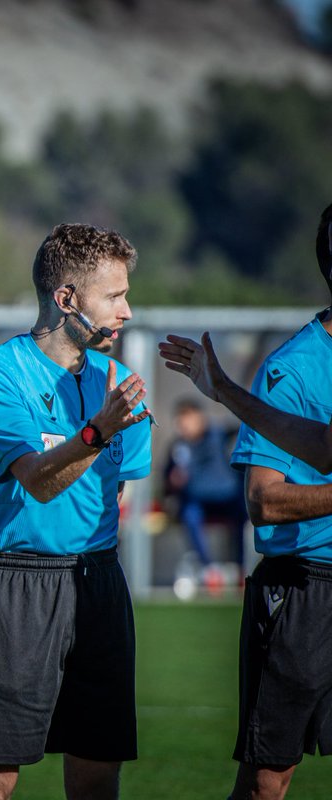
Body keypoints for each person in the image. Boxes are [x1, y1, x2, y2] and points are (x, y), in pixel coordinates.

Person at [0, 223, 152, 800]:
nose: (128, 311)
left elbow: (112, 495)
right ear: (67, 300)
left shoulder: (116, 381)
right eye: (114, 297)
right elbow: (38, 483)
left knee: (97, 766)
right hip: (17, 583)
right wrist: (97, 430)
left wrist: (104, 427)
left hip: (98, 583)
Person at [160, 203, 332, 800]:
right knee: (267, 779)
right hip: (308, 592)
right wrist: (231, 392)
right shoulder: (294, 369)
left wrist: (227, 393)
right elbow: (266, 503)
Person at [164, 397, 247, 589]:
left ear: (200, 418)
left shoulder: (218, 434)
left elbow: (244, 425)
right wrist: (173, 481)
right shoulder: (178, 447)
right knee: (189, 514)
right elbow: (167, 480)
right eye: (180, 420)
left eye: (188, 419)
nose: (184, 425)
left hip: (227, 499)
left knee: (241, 515)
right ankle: (209, 570)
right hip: (197, 502)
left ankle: (240, 569)